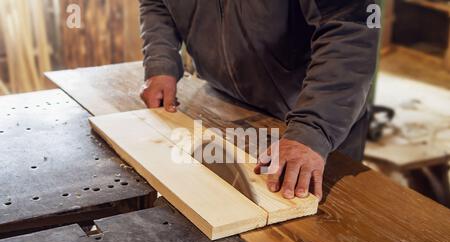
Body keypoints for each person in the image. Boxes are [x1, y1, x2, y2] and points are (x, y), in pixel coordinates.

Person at [139, 0, 380, 201]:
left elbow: (350, 31)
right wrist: (161, 63)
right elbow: (157, 2)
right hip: (220, 103)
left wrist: (312, 129)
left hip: (315, 121)